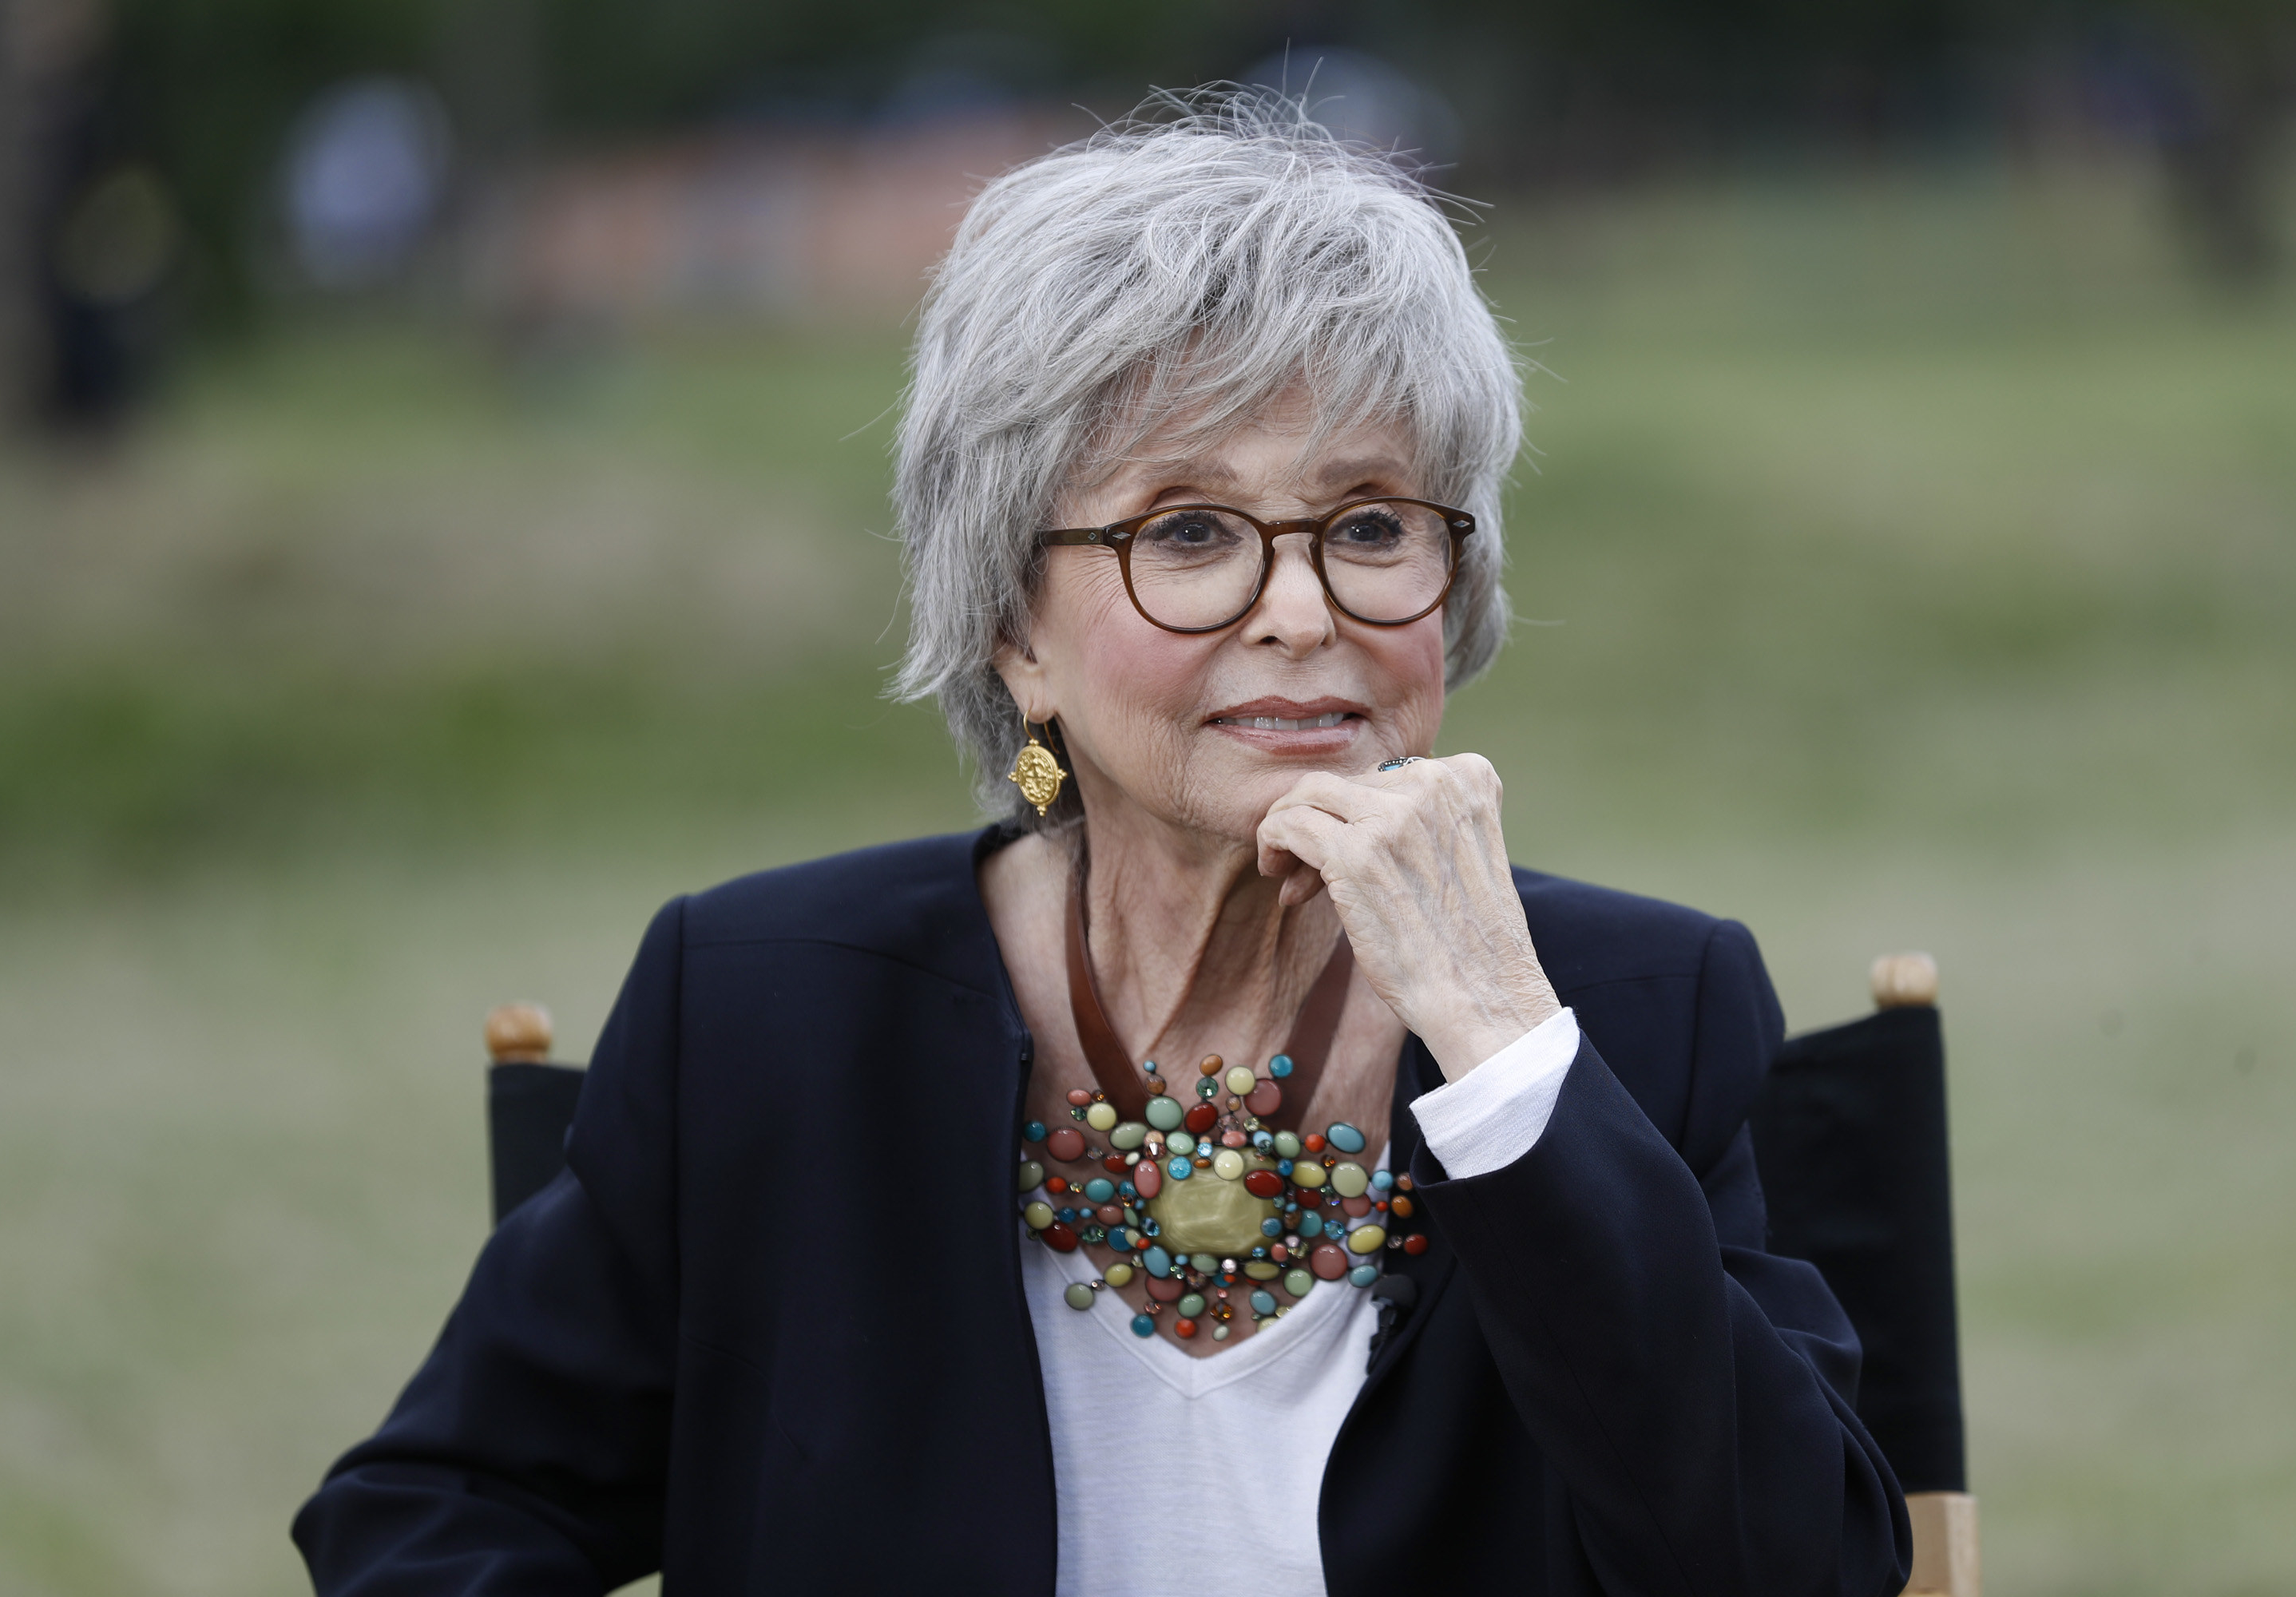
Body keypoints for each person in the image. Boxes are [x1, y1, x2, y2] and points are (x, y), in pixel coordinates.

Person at [293, 91, 1909, 1596]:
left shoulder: (1634, 1009)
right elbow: (429, 1516)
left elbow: (1792, 1568)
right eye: (1188, 532)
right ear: (1013, 625)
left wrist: (1501, 1048)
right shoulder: (764, 1012)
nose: (1302, 611)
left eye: (1369, 525)